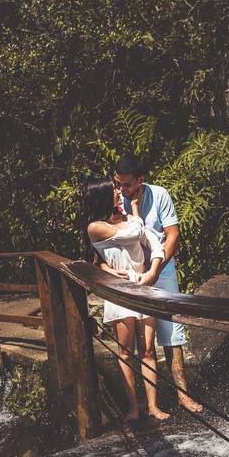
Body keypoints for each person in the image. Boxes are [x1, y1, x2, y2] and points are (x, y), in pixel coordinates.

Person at [109, 154, 202, 413]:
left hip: (162, 270)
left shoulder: (159, 195)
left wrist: (156, 270)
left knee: (172, 333)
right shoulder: (115, 200)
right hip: (130, 274)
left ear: (141, 180)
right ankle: (142, 404)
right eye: (118, 183)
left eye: (126, 184)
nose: (122, 189)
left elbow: (172, 235)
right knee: (137, 341)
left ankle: (183, 395)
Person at [83, 180, 170, 421]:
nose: (119, 191)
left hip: (142, 285)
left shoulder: (124, 221)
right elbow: (136, 233)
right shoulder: (96, 227)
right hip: (119, 290)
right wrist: (135, 210)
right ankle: (133, 408)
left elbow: (153, 241)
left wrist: (152, 270)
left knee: (148, 350)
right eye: (113, 190)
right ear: (102, 197)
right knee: (125, 351)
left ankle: (153, 406)